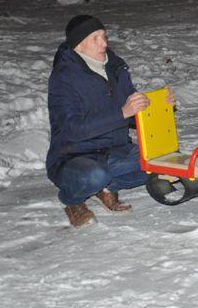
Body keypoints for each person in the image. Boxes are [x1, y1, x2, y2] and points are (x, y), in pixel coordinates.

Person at [46, 15, 158, 228]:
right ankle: (73, 200)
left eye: (104, 37)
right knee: (94, 175)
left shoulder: (115, 68)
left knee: (159, 163)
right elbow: (72, 130)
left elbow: (133, 114)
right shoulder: (64, 77)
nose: (104, 43)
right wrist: (121, 113)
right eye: (96, 38)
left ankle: (104, 188)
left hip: (116, 150)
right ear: (79, 44)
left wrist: (154, 105)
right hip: (74, 156)